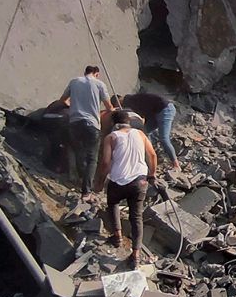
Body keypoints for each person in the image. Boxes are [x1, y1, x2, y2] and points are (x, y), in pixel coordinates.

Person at [95, 110, 158, 268]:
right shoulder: (141, 134)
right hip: (139, 181)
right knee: (136, 217)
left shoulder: (111, 137)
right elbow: (152, 155)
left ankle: (117, 236)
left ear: (113, 123)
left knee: (113, 204)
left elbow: (105, 163)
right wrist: (152, 175)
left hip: (118, 180)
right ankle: (136, 255)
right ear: (128, 122)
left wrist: (100, 182)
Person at [59, 66, 110, 196]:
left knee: (79, 152)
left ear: (85, 72)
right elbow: (109, 106)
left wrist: (73, 107)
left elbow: (63, 100)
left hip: (75, 123)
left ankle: (80, 179)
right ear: (96, 74)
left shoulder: (74, 81)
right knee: (92, 158)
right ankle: (86, 190)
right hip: (91, 124)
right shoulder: (100, 84)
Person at [121, 92, 181, 171]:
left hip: (165, 110)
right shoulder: (134, 98)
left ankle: (176, 164)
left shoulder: (132, 102)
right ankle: (148, 157)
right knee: (144, 133)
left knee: (164, 138)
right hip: (155, 112)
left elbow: (141, 118)